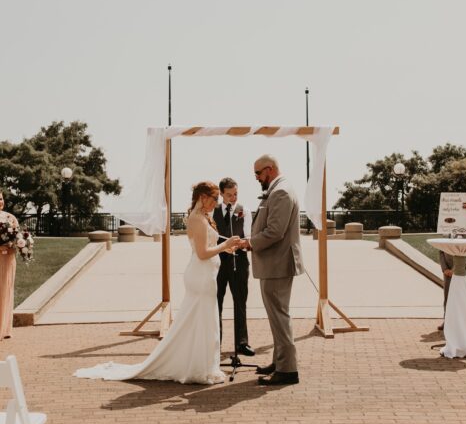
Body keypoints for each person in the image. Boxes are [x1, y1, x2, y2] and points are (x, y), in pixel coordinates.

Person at [75, 181, 241, 384]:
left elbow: (209, 246)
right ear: (202, 197)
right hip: (200, 276)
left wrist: (226, 248)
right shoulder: (197, 219)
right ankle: (196, 367)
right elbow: (202, 253)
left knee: (204, 322)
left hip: (207, 276)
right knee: (199, 321)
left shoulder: (205, 217)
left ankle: (205, 365)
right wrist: (224, 245)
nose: (216, 203)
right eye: (214, 198)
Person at [242, 155, 305, 386]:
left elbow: (275, 231)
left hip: (277, 264)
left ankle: (288, 370)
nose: (257, 178)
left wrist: (250, 242)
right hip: (274, 264)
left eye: (258, 173)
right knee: (276, 316)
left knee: (279, 317)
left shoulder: (281, 192)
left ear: (270, 169)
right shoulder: (278, 189)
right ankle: (280, 362)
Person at [213, 177, 254, 356]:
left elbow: (249, 237)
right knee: (216, 303)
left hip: (239, 261)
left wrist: (242, 244)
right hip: (217, 264)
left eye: (235, 194)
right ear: (221, 194)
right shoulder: (212, 212)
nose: (233, 198)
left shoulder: (244, 211)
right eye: (229, 194)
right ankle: (216, 343)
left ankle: (241, 343)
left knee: (240, 302)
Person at [437, 249, 466, 331]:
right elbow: (441, 251)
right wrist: (444, 268)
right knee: (447, 297)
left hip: (461, 270)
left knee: (463, 299)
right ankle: (447, 321)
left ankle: (464, 322)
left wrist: (455, 268)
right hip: (447, 273)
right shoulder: (445, 235)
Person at [0, 190, 18, 341]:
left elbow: (17, 238)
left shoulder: (10, 218)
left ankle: (5, 328)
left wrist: (13, 245)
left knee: (7, 289)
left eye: (1, 199)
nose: (0, 202)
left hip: (8, 259)